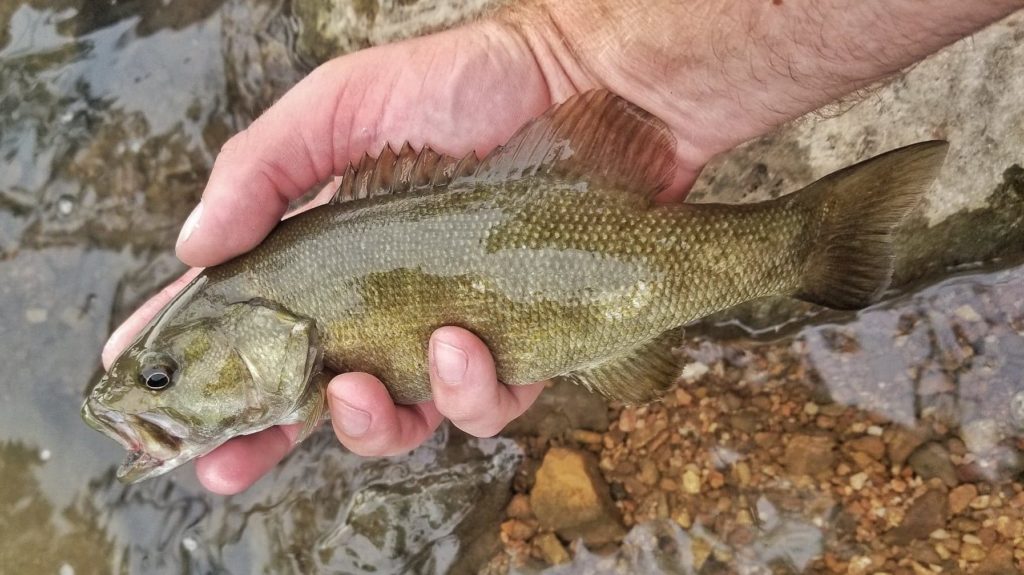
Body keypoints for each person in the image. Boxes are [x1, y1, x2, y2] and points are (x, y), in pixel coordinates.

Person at [101, 0, 1023, 494]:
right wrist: (566, 49)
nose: (156, 396)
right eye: (162, 379)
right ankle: (804, 247)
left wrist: (570, 55)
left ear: (259, 327)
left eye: (161, 377)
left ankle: (809, 245)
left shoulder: (283, 291)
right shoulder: (282, 304)